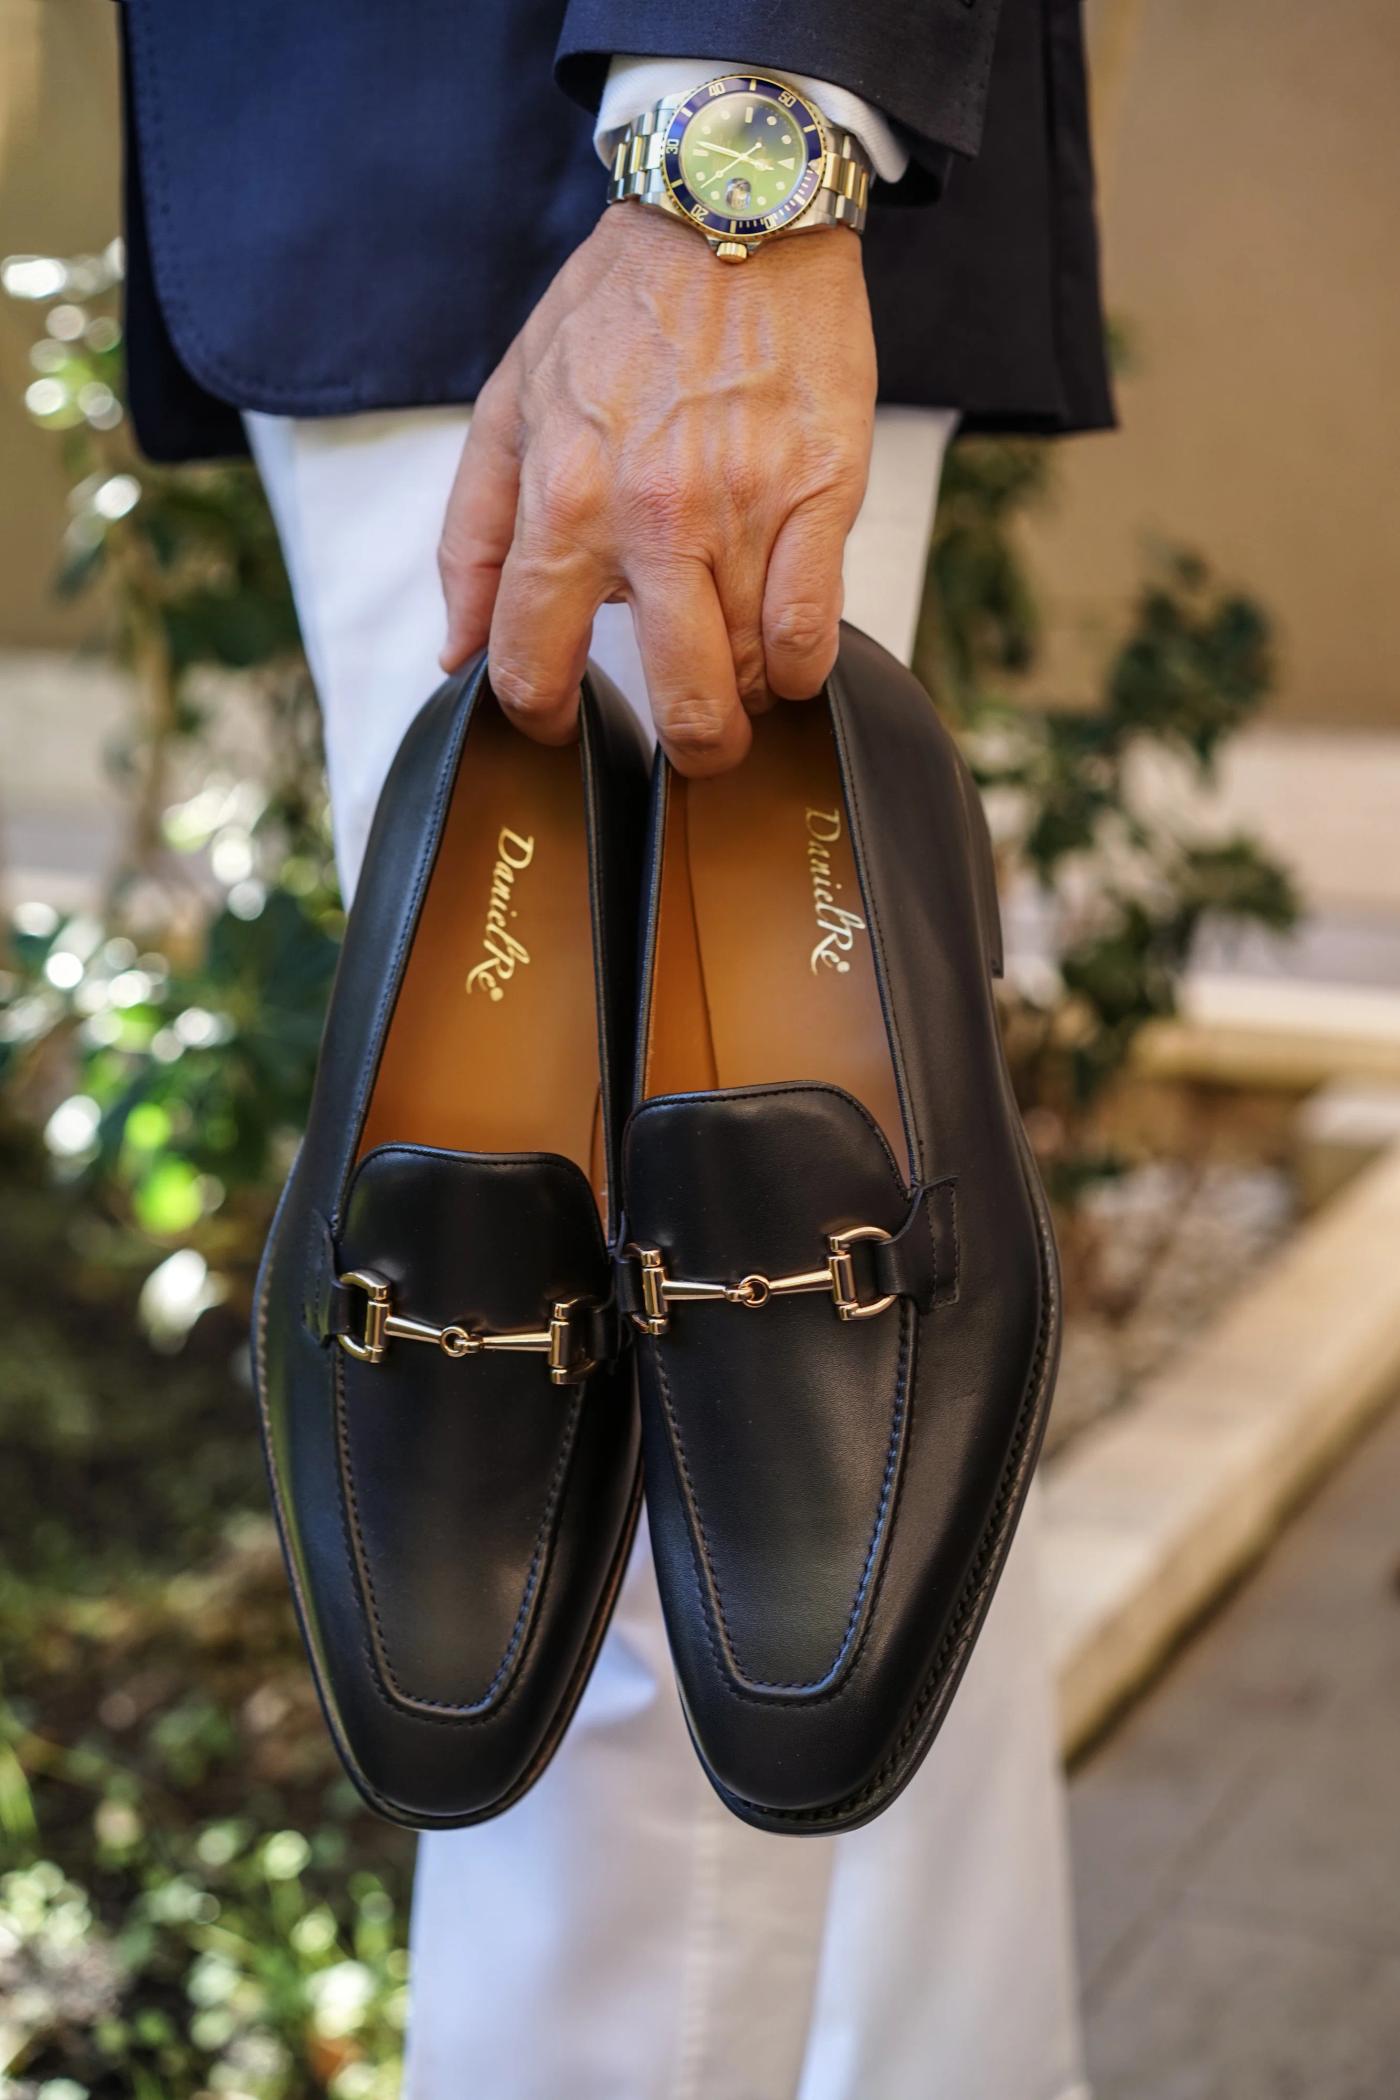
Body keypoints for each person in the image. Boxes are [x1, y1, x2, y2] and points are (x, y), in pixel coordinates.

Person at [118, 3, 1111, 2092]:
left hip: (573, 166)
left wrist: (735, 143)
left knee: (687, 1523)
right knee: (849, 1491)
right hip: (468, 164)